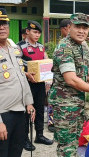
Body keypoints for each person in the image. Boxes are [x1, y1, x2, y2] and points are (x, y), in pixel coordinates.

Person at [48, 13, 89, 157]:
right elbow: (71, 79)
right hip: (65, 106)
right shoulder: (65, 47)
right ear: (69, 27)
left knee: (75, 142)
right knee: (67, 148)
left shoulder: (81, 46)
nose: (82, 31)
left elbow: (85, 73)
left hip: (77, 105)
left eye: (85, 27)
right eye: (78, 27)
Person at [0, 8, 35, 157]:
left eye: (4, 24)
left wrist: (29, 102)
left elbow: (22, 77)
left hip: (20, 113)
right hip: (3, 115)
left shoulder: (14, 49)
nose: (1, 27)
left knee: (16, 152)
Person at [17, 20, 53, 151]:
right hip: (26, 84)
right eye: (34, 32)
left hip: (40, 84)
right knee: (26, 112)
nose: (37, 35)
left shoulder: (41, 47)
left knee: (39, 109)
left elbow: (47, 62)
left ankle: (39, 135)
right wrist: (26, 73)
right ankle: (25, 139)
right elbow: (16, 65)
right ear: (27, 32)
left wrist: (48, 80)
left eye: (39, 33)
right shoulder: (19, 47)